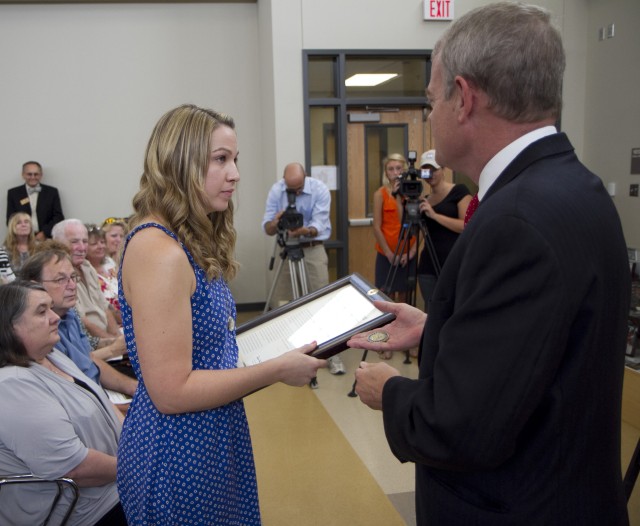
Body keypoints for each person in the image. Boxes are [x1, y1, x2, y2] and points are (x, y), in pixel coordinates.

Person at [347, 3, 631, 525]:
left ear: (465, 98)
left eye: (431, 100)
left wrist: (387, 392)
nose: (430, 115)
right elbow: (534, 352)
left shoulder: (515, 221)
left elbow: (460, 427)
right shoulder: (577, 190)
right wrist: (437, 331)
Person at [117, 104, 326, 525]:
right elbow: (172, 392)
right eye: (220, 159)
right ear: (180, 162)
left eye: (235, 159)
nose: (235, 174)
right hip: (179, 452)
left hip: (209, 433)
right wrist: (275, 369)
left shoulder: (182, 237)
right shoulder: (161, 252)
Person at [0, 281, 126, 526]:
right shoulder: (11, 386)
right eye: (41, 311)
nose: (55, 317)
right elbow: (75, 468)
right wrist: (139, 468)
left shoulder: (51, 355)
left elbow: (101, 400)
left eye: (51, 308)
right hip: (86, 511)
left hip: (114, 485)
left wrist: (137, 447)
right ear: (10, 327)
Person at [20, 245, 137, 401]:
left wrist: (132, 387)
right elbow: (70, 395)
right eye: (61, 279)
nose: (72, 286)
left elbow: (89, 360)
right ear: (35, 285)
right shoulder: (37, 329)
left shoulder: (71, 313)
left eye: (73, 277)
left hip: (98, 395)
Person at [262, 161, 345, 379]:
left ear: (305, 177)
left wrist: (304, 230)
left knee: (322, 302)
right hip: (286, 249)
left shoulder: (319, 189)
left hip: (312, 248)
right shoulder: (276, 190)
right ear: (284, 181)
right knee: (283, 303)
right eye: (291, 190)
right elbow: (267, 228)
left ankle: (331, 354)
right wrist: (276, 222)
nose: (296, 193)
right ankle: (288, 355)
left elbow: (319, 223)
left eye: (299, 189)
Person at [416, 149, 471, 310]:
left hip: (453, 262)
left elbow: (465, 226)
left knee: (454, 310)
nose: (431, 174)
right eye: (426, 171)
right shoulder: (424, 200)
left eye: (434, 169)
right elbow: (419, 233)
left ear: (444, 169)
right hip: (428, 265)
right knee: (431, 310)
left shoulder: (459, 191)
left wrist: (434, 215)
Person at [52, 219, 121, 338]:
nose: (82, 247)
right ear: (58, 243)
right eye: (74, 242)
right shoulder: (59, 276)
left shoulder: (87, 266)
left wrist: (118, 337)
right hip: (89, 342)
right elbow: (83, 322)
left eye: (85, 241)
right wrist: (113, 343)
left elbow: (105, 308)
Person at [372, 153, 418, 303]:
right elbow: (377, 226)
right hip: (387, 255)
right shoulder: (380, 194)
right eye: (390, 169)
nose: (395, 173)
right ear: (386, 172)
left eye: (398, 168)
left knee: (405, 298)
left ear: (404, 170)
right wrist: (389, 253)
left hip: (407, 254)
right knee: (386, 296)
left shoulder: (413, 192)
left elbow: (419, 224)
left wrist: (411, 252)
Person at [6, 161, 64, 240]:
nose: (33, 177)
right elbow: (11, 219)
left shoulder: (52, 192)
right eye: (29, 174)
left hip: (46, 238)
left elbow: (59, 217)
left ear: (41, 175)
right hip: (21, 239)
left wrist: (45, 233)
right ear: (23, 175)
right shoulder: (13, 193)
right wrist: (24, 234)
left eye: (36, 174)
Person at [86, 224, 121, 319]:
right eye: (94, 244)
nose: (100, 246)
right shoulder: (86, 272)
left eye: (102, 242)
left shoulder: (110, 264)